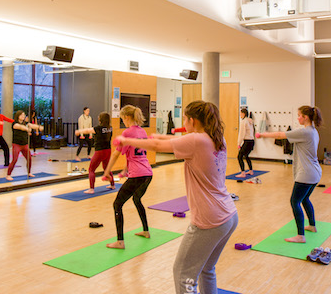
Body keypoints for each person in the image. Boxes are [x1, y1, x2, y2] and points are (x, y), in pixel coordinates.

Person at [114, 100, 237, 294]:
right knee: (206, 269)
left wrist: (125, 140)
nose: (184, 123)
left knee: (183, 274)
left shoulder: (196, 141)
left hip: (208, 220)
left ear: (192, 121)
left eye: (185, 120)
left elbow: (155, 145)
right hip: (228, 215)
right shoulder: (217, 138)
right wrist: (163, 136)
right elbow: (178, 141)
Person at [256, 105, 322, 243]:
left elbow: (281, 135)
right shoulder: (313, 131)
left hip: (306, 173)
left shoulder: (305, 132)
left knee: (295, 201)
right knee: (304, 199)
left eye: (299, 115)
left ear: (305, 117)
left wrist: (262, 134)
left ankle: (300, 236)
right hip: (315, 172)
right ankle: (312, 225)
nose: (297, 118)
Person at [103, 105, 153, 250]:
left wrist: (107, 171)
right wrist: (126, 169)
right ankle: (146, 231)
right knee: (137, 199)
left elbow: (116, 154)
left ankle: (120, 241)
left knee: (117, 204)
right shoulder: (142, 131)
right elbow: (135, 154)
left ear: (126, 117)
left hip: (138, 175)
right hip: (148, 174)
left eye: (122, 119)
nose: (123, 121)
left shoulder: (127, 132)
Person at [75, 112, 115, 194]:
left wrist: (79, 131)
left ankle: (91, 189)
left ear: (101, 119)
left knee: (91, 169)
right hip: (108, 150)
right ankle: (112, 185)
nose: (98, 117)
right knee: (106, 168)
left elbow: (87, 130)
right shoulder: (110, 128)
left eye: (99, 117)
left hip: (100, 151)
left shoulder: (98, 128)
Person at [6, 110, 43, 181]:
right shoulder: (14, 123)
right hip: (17, 144)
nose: (23, 116)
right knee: (14, 160)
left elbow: (32, 125)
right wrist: (27, 129)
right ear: (18, 116)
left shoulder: (25, 123)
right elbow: (20, 127)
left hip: (25, 144)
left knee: (29, 159)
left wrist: (38, 127)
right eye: (21, 115)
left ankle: (29, 172)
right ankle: (8, 175)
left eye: (24, 115)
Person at [236, 108, 255, 178]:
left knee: (239, 156)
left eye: (241, 113)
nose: (240, 115)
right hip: (252, 141)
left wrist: (239, 143)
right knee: (246, 155)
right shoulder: (250, 121)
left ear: (243, 114)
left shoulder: (244, 121)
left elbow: (242, 133)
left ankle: (243, 173)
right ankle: (251, 170)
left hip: (247, 141)